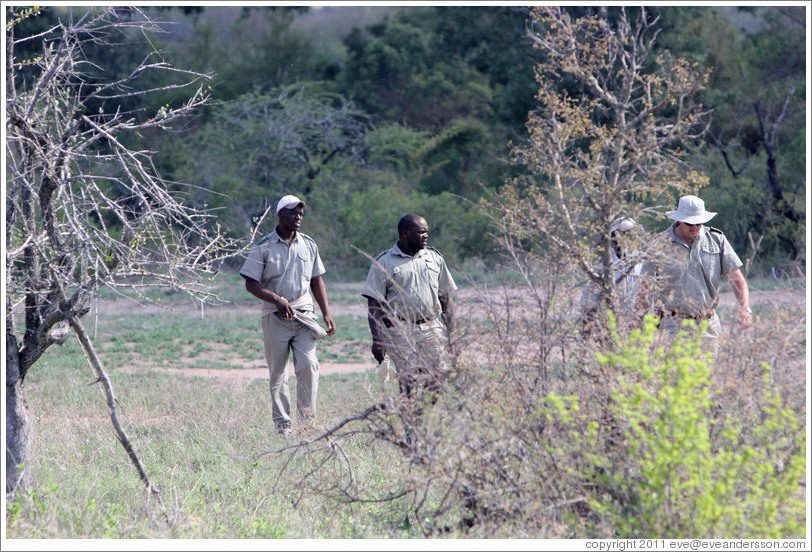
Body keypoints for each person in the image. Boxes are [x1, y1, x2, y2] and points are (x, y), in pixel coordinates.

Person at [240, 195, 336, 435]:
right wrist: (276, 300)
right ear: (280, 215)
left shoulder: (309, 244)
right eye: (293, 212)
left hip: (303, 314)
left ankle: (307, 425)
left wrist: (326, 312)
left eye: (301, 213)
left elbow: (316, 279)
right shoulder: (264, 246)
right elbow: (250, 284)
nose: (298, 217)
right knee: (278, 374)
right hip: (275, 316)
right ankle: (283, 427)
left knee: (308, 365)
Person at [361, 214, 457, 408]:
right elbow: (374, 304)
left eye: (426, 231)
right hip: (400, 330)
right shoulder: (384, 262)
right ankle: (411, 427)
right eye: (420, 231)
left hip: (431, 327)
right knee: (408, 382)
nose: (425, 235)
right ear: (405, 234)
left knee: (437, 378)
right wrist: (378, 340)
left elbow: (445, 297)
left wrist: (453, 332)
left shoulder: (435, 258)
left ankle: (422, 415)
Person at [641, 195, 753, 339]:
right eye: (689, 223)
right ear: (679, 220)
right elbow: (644, 288)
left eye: (698, 223)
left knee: (710, 362)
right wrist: (640, 321)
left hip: (708, 326)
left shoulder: (716, 240)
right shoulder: (659, 245)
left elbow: (736, 278)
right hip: (672, 327)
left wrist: (745, 308)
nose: (694, 227)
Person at [579, 216, 644, 335]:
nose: (627, 237)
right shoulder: (603, 265)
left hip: (636, 326)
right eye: (622, 233)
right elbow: (589, 301)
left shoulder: (643, 262)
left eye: (630, 233)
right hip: (610, 327)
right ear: (613, 236)